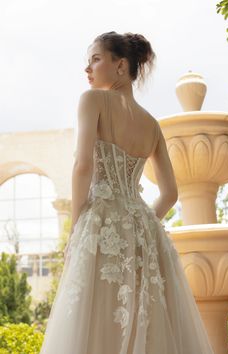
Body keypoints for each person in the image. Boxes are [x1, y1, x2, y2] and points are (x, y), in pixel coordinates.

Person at [40, 31, 215, 354]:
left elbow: (83, 165)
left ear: (120, 66)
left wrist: (78, 227)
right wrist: (141, 219)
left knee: (97, 321)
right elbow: (170, 194)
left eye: (95, 59)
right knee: (143, 321)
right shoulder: (152, 125)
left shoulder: (92, 100)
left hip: (101, 223)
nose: (87, 69)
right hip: (142, 232)